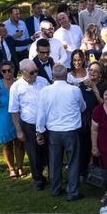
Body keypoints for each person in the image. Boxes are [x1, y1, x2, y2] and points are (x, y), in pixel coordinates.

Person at [35, 64, 86, 201]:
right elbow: (82, 107)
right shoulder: (74, 90)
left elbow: (41, 114)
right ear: (65, 75)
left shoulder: (45, 91)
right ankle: (73, 191)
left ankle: (55, 188)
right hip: (71, 131)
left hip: (54, 132)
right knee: (73, 161)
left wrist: (39, 132)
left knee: (54, 161)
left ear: (53, 76)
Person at [9, 58, 51, 190]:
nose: (35, 75)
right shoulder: (16, 87)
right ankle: (38, 178)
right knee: (33, 154)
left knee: (50, 151)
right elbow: (14, 110)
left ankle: (53, 175)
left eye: (36, 71)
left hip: (47, 124)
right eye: (32, 72)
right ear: (23, 72)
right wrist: (19, 130)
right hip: (29, 124)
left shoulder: (44, 82)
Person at [0, 61, 25, 178]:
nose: (7, 73)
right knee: (7, 145)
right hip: (3, 116)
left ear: (14, 70)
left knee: (19, 144)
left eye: (9, 70)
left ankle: (20, 167)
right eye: (4, 71)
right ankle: (11, 168)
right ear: (1, 72)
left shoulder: (20, 83)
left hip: (18, 115)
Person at [78, 61, 104, 175]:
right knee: (84, 147)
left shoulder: (103, 86)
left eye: (96, 71)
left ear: (100, 74)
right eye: (91, 70)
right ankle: (83, 172)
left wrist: (94, 87)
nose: (92, 72)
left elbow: (103, 103)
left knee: (98, 147)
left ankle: (100, 172)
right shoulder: (82, 85)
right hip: (84, 121)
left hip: (98, 121)